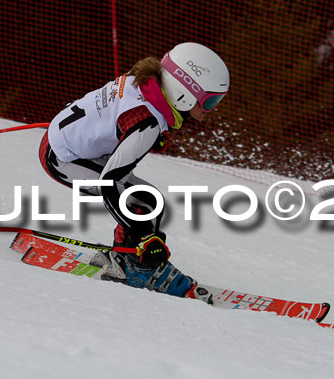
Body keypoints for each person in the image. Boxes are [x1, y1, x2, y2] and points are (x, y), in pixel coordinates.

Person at [38, 42, 230, 298]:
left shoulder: (143, 82)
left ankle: (123, 259)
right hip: (62, 158)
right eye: (210, 101)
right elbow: (109, 182)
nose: (211, 111)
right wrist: (142, 236)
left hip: (63, 140)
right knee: (145, 204)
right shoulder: (147, 122)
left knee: (147, 202)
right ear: (183, 93)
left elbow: (115, 113)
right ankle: (138, 269)